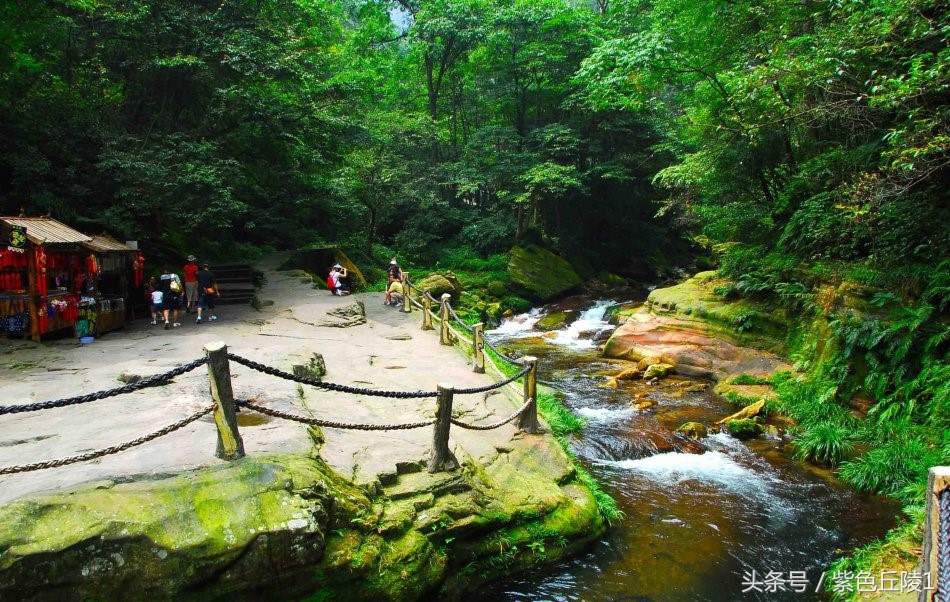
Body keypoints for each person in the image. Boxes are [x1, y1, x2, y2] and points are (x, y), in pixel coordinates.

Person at [159, 265, 183, 329]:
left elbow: (161, 286)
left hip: (165, 295)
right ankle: (175, 323)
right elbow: (179, 284)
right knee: (175, 308)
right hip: (174, 295)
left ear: (165, 270)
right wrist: (181, 291)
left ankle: (166, 321)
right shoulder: (175, 276)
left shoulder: (162, 277)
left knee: (166, 309)